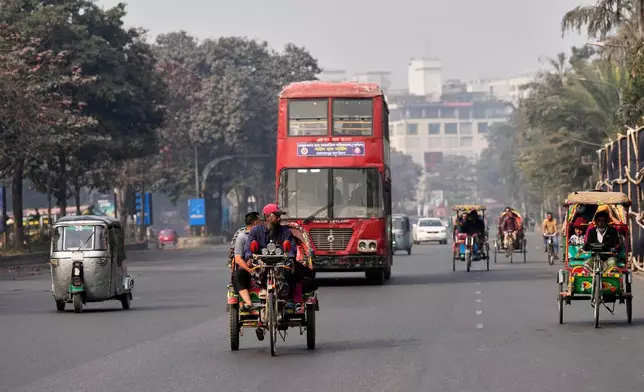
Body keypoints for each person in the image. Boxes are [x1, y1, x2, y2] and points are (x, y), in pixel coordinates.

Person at [231, 212, 261, 312]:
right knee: (238, 275)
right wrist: (250, 270)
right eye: (259, 221)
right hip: (248, 267)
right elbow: (238, 259)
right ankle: (248, 303)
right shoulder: (242, 237)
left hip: (264, 264)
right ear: (256, 222)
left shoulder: (263, 234)